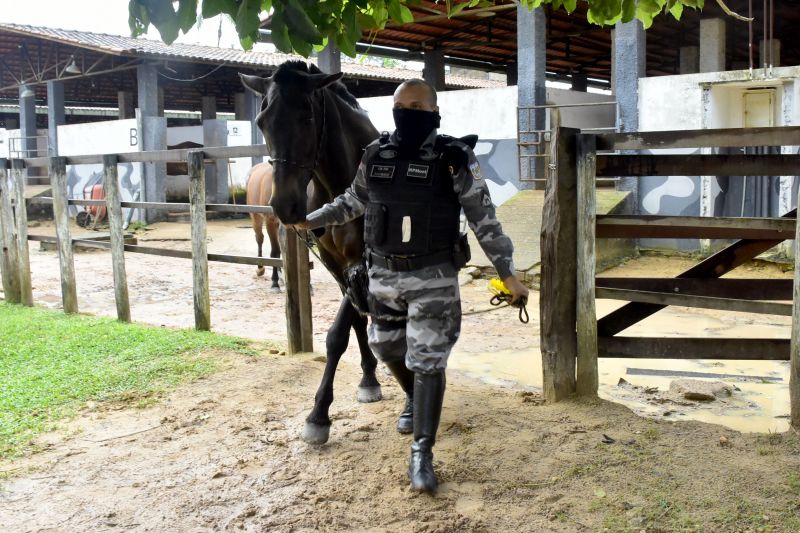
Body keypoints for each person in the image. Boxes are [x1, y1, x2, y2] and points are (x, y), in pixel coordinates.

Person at [288, 78, 528, 494]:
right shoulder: (376, 155)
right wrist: (313, 219)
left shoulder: (455, 158)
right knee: (384, 346)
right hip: (383, 276)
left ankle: (422, 451)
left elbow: (483, 217)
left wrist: (507, 273)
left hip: (434, 276)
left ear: (434, 112)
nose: (408, 111)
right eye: (402, 104)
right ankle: (415, 397)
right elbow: (352, 200)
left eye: (417, 105)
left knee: (428, 359)